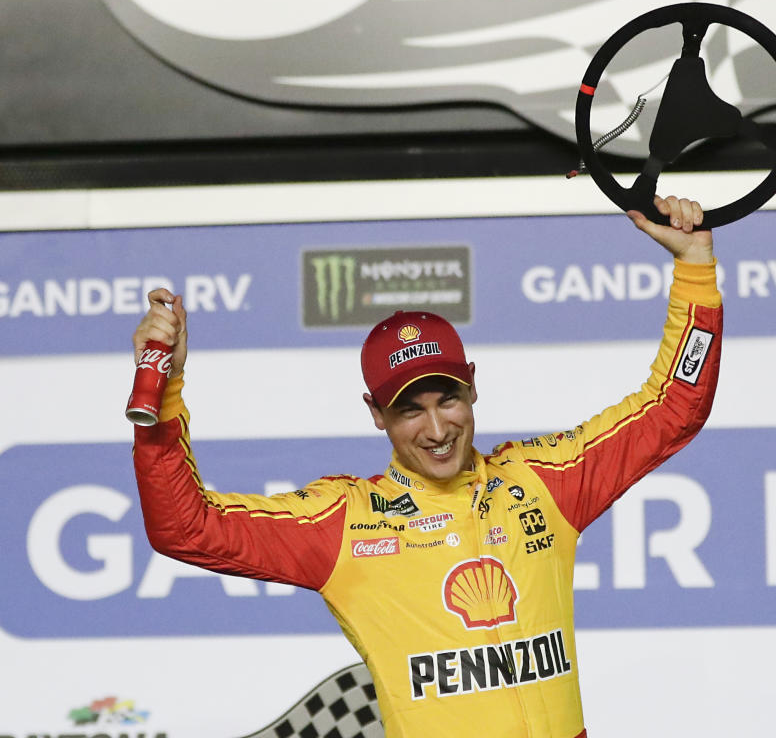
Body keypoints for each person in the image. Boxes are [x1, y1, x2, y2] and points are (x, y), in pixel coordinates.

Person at [131, 196, 721, 738]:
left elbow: (674, 409)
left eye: (448, 400)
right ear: (376, 414)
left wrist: (694, 268)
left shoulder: (542, 481)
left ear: (472, 387)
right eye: (409, 410)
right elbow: (186, 529)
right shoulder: (344, 522)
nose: (437, 430)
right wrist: (167, 393)